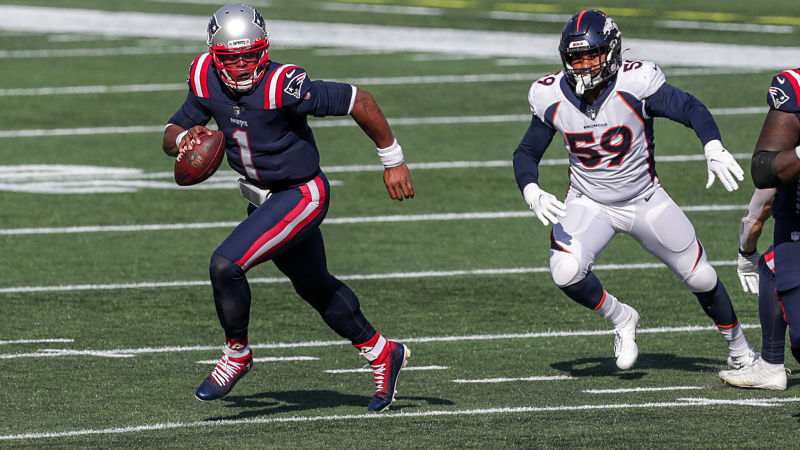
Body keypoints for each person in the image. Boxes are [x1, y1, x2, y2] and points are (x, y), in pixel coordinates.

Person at [161, 3, 414, 411]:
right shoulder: (204, 76)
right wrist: (182, 138)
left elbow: (359, 100)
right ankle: (382, 352)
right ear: (214, 54)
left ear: (265, 48)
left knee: (225, 265)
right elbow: (173, 129)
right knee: (315, 287)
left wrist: (393, 159)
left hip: (300, 194)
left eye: (251, 53)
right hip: (262, 197)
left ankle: (236, 353)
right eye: (232, 56)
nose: (242, 65)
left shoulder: (286, 85)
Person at [512, 9, 755, 371]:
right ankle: (622, 318)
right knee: (565, 270)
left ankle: (740, 350)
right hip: (589, 201)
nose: (584, 65)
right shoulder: (550, 95)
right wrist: (531, 189)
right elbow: (527, 151)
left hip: (644, 198)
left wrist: (712, 146)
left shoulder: (636, 82)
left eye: (592, 55)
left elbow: (688, 106)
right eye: (576, 58)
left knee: (701, 276)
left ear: (611, 51)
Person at [720, 65, 800, 389]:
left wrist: (746, 250)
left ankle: (769, 363)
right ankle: (769, 363)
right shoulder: (794, 87)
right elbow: (764, 171)